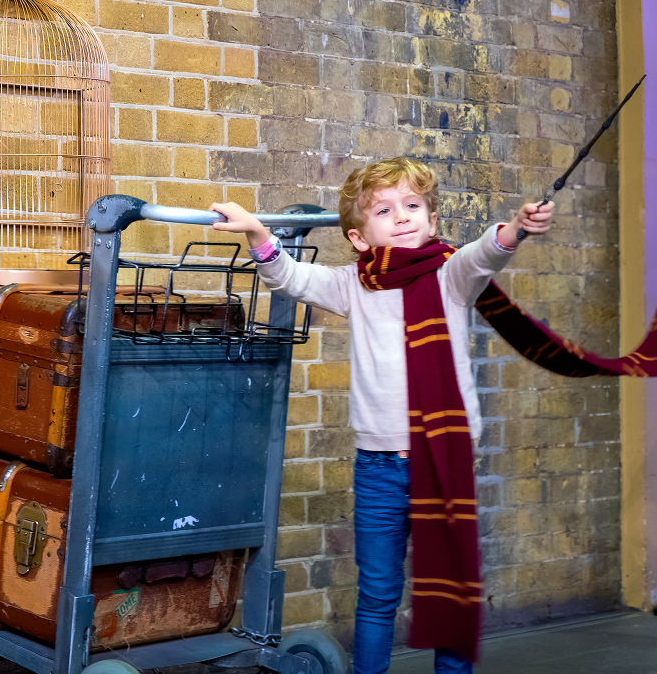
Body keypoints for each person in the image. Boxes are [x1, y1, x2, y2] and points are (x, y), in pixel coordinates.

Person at [209, 156, 554, 674]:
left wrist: (515, 229)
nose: (403, 216)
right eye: (385, 209)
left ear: (432, 221)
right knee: (376, 595)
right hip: (379, 468)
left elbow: (487, 254)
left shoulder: (450, 276)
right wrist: (258, 233)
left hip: (443, 459)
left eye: (413, 205)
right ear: (359, 238)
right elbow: (291, 277)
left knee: (452, 593)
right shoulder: (355, 284)